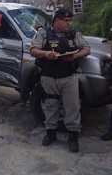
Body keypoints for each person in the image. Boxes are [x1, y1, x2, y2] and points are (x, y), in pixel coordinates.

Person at [30, 9, 90, 153]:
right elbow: (33, 50)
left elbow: (86, 49)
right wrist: (46, 54)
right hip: (48, 77)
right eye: (66, 21)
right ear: (56, 20)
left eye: (70, 20)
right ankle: (50, 134)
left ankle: (73, 138)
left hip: (69, 78)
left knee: (73, 107)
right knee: (50, 106)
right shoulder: (43, 33)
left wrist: (74, 57)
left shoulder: (74, 34)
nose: (69, 23)